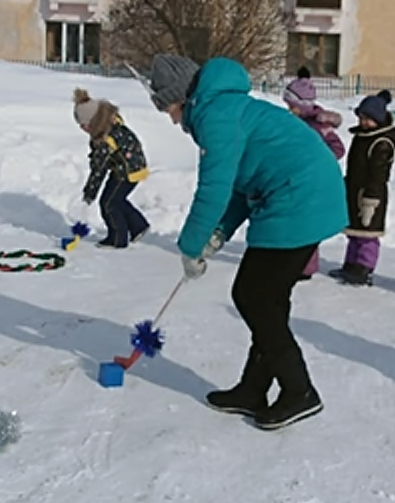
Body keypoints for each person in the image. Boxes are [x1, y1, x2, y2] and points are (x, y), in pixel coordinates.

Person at [144, 54, 347, 430]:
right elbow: (239, 182)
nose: (171, 119)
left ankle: (299, 391)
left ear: (180, 98)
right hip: (302, 194)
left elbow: (214, 186)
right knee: (266, 299)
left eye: (168, 108)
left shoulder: (213, 115)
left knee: (253, 295)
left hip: (299, 198)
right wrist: (218, 233)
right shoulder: (224, 106)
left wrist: (191, 245)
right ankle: (254, 389)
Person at [330, 90, 395, 286]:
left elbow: (378, 175)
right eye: (362, 118)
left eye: (369, 119)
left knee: (367, 235)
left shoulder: (381, 142)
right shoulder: (362, 137)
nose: (364, 122)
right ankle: (351, 264)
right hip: (354, 188)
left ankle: (364, 267)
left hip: (370, 194)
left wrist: (372, 198)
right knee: (355, 231)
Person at [283, 68, 345, 280]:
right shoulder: (293, 122)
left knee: (307, 224)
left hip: (313, 180)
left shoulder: (320, 125)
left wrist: (318, 162)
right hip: (294, 178)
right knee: (294, 221)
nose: (290, 110)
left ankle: (306, 266)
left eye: (293, 107)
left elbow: (338, 149)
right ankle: (292, 260)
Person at [74, 87, 150, 248]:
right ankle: (139, 226)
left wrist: (90, 192)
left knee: (108, 203)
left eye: (84, 125)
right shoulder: (108, 123)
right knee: (117, 200)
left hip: (128, 170)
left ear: (93, 121)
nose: (82, 129)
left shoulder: (106, 139)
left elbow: (99, 169)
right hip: (127, 166)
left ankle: (117, 238)